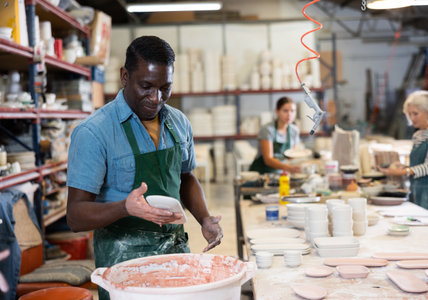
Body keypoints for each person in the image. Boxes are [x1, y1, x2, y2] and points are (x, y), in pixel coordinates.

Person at [66, 36, 223, 299]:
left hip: (174, 254)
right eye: (147, 86)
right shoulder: (94, 132)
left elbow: (185, 177)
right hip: (124, 264)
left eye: (165, 87)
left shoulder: (179, 123)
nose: (156, 98)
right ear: (125, 76)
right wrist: (124, 207)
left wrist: (204, 218)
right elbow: (75, 216)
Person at [378, 90, 428, 218]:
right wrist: (403, 167)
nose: (411, 118)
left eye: (415, 113)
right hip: (417, 189)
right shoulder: (419, 134)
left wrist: (400, 173)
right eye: (409, 114)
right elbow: (419, 164)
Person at [249, 96, 303, 174]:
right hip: (261, 173)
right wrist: (289, 168)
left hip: (280, 172)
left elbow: (291, 156)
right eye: (285, 111)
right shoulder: (267, 130)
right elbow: (268, 160)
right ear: (277, 111)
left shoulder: (294, 130)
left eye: (292, 111)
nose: (289, 114)